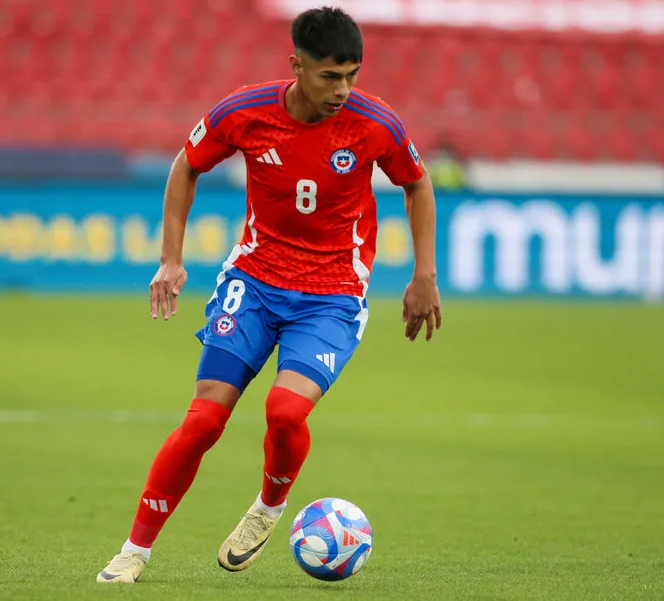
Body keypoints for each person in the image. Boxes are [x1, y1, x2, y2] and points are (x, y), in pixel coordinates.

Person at [97, 6, 441, 584]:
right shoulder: (246, 111)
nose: (343, 89)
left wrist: (423, 275)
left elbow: (417, 183)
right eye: (330, 76)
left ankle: (269, 508)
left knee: (283, 411)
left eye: (352, 74)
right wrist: (170, 258)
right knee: (204, 420)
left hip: (332, 293)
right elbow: (186, 166)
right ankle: (134, 551)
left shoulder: (374, 122)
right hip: (254, 281)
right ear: (296, 65)